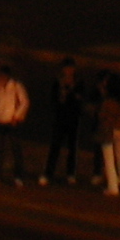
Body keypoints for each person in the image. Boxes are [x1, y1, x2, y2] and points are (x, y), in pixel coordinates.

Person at [0, 62, 30, 186]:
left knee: (16, 149)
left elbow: (25, 102)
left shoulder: (16, 86)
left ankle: (18, 176)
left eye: (3, 76)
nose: (1, 78)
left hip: (12, 122)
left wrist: (17, 116)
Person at [43, 57, 86, 185]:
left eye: (71, 68)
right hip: (60, 118)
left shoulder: (78, 82)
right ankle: (48, 173)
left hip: (73, 118)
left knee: (72, 147)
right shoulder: (58, 82)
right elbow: (53, 99)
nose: (69, 71)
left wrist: (73, 95)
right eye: (67, 68)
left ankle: (71, 173)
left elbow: (81, 99)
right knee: (55, 146)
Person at [96, 71, 120, 197]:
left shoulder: (108, 102)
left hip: (109, 131)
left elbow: (102, 115)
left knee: (109, 160)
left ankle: (113, 187)